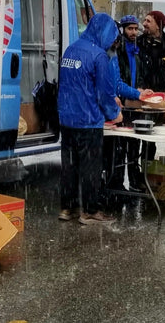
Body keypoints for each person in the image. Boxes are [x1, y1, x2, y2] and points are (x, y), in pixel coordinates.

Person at [57, 13, 123, 225]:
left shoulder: (71, 49)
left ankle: (68, 208)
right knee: (90, 167)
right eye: (112, 36)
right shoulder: (99, 56)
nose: (112, 42)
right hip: (88, 120)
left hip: (67, 118)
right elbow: (103, 94)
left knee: (69, 166)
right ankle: (91, 210)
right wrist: (115, 114)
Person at [104, 15, 154, 192]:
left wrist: (140, 90)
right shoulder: (117, 50)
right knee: (119, 147)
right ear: (122, 30)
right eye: (129, 29)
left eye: (135, 29)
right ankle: (115, 182)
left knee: (134, 146)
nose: (133, 32)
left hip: (134, 102)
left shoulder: (137, 49)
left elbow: (140, 73)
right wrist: (132, 93)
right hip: (122, 102)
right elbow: (117, 81)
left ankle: (133, 181)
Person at [139, 11, 165, 95]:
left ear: (158, 26)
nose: (144, 23)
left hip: (162, 93)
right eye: (145, 20)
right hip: (140, 92)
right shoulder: (138, 42)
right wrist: (140, 88)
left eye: (148, 21)